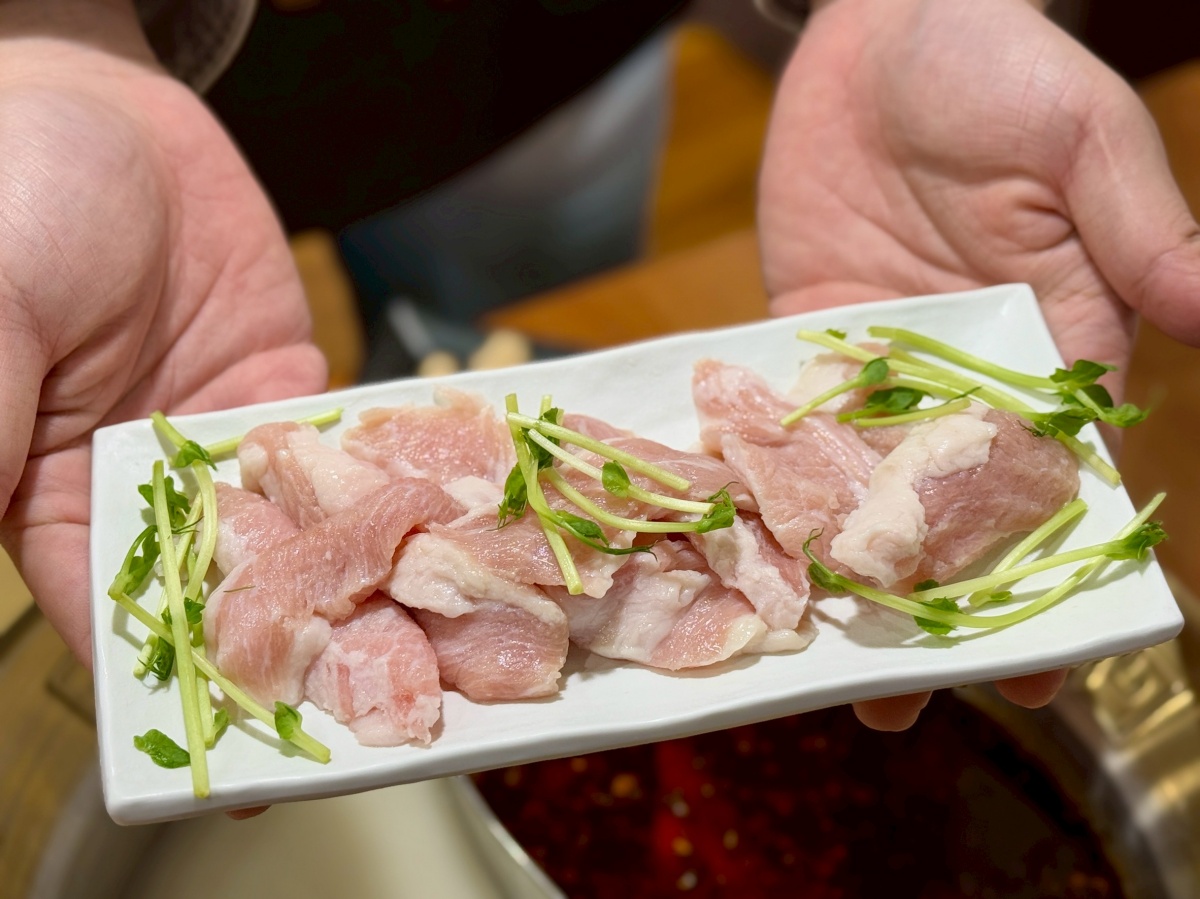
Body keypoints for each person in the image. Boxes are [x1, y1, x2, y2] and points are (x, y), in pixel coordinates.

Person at [1, 0, 1197, 737]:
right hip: (188, 71)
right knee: (381, 358)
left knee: (523, 256)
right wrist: (50, 36)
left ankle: (419, 336)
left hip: (528, 54)